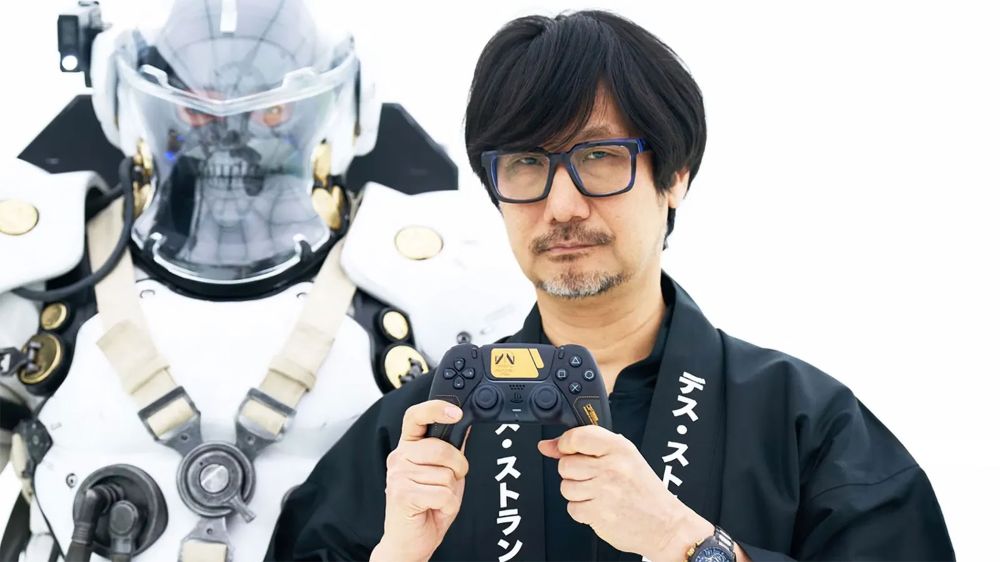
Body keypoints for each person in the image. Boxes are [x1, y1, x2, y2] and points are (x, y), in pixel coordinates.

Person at [268, 10, 955, 562]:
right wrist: (397, 555)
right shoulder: (415, 437)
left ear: (675, 176)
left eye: (599, 156)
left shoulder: (808, 427)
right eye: (526, 163)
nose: (562, 205)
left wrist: (685, 543)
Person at [0, 1, 531, 560]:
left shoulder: (435, 284)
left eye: (270, 114)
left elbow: (521, 499)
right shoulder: (43, 272)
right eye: (199, 111)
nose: (230, 134)